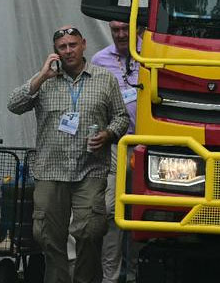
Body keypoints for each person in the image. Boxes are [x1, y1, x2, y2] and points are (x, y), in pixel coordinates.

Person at [8, 25, 131, 283]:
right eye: (62, 47)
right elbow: (14, 105)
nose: (68, 51)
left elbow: (121, 118)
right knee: (47, 235)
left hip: (90, 169)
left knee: (90, 231)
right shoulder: (45, 80)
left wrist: (107, 134)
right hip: (51, 170)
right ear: (56, 51)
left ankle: (85, 280)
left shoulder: (104, 78)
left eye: (72, 45)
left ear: (83, 44)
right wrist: (41, 76)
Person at [91, 21, 142, 283]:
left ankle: (135, 273)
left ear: (138, 29)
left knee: (142, 213)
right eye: (116, 30)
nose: (121, 34)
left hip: (147, 146)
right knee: (111, 210)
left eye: (126, 29)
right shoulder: (100, 60)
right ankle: (110, 277)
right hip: (115, 145)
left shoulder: (152, 55)